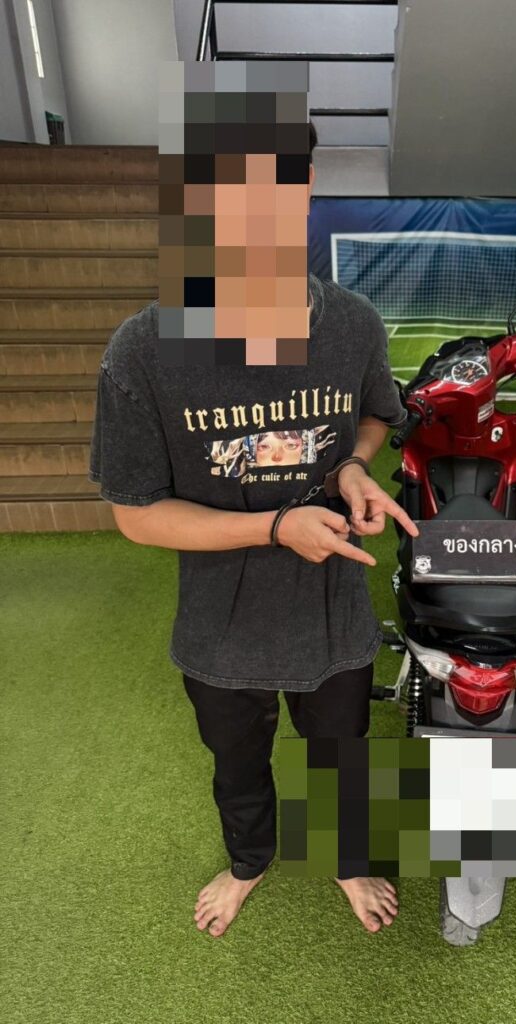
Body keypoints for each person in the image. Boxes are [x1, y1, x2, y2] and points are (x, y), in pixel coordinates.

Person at [88, 115, 420, 938]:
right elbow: (136, 516)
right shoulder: (144, 350)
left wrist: (351, 466)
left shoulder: (352, 324)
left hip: (333, 610)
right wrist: (274, 527)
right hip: (221, 624)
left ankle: (345, 858)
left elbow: (375, 417)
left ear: (301, 188)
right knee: (237, 761)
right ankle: (250, 862)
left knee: (341, 752)